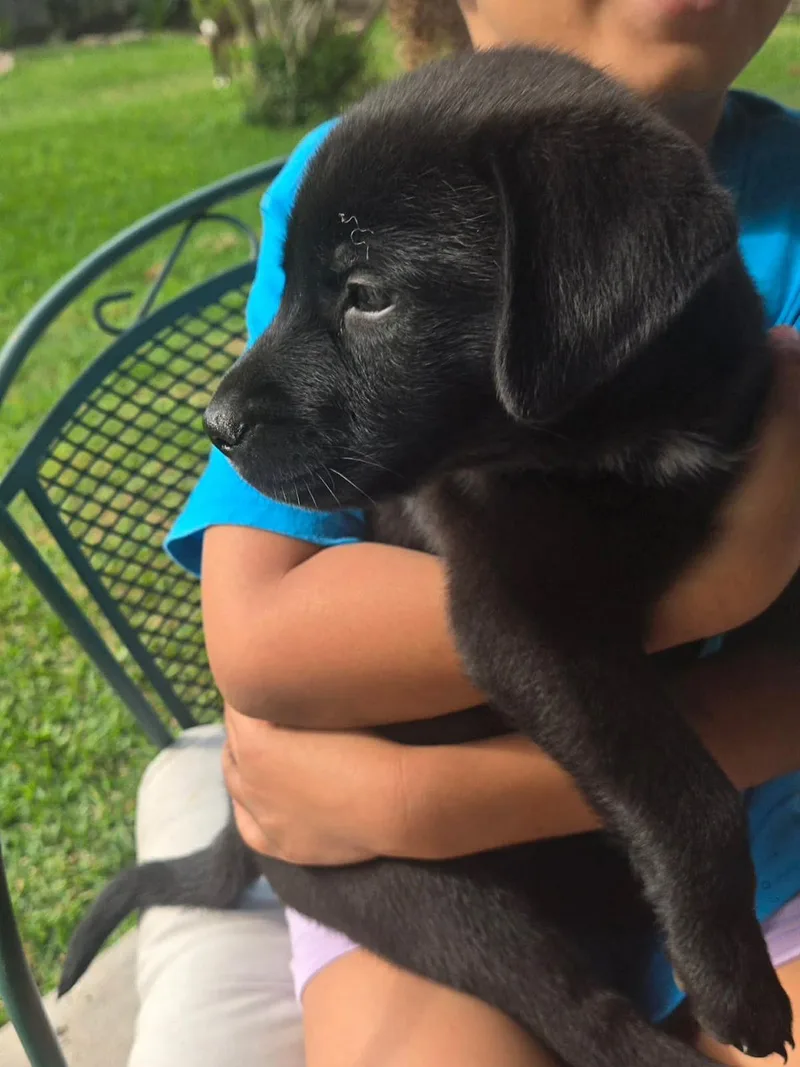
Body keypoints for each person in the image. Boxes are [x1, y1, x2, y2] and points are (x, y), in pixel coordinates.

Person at [163, 2, 800, 1064]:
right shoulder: (360, 167)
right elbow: (262, 641)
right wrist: (722, 579)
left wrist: (434, 799)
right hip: (405, 867)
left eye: (363, 296)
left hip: (759, 821)